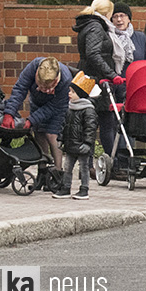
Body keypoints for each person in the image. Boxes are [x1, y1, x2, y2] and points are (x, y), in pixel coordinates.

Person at [2, 57, 72, 191]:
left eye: (48, 87)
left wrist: (31, 119)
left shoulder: (65, 79)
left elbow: (54, 107)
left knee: (52, 135)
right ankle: (42, 173)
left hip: (57, 107)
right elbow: (20, 89)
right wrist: (9, 113)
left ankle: (57, 176)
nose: (44, 89)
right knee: (39, 133)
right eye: (41, 85)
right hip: (37, 102)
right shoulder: (32, 67)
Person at [72, 0, 125, 158]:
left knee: (91, 122)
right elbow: (93, 54)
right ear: (108, 12)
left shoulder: (89, 25)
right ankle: (111, 163)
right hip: (96, 81)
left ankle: (91, 165)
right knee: (105, 123)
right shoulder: (96, 27)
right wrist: (112, 74)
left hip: (89, 78)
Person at [54, 72, 98, 200]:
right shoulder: (70, 108)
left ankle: (84, 189)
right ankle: (66, 188)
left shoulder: (88, 110)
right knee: (67, 167)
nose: (69, 94)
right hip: (70, 145)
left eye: (72, 92)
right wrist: (61, 139)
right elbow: (64, 126)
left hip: (82, 145)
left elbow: (91, 129)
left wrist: (88, 143)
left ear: (81, 94)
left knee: (83, 168)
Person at [112, 2, 146, 77]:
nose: (119, 19)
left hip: (137, 81)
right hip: (117, 83)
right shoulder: (109, 37)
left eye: (122, 16)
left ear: (129, 19)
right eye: (115, 16)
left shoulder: (140, 37)